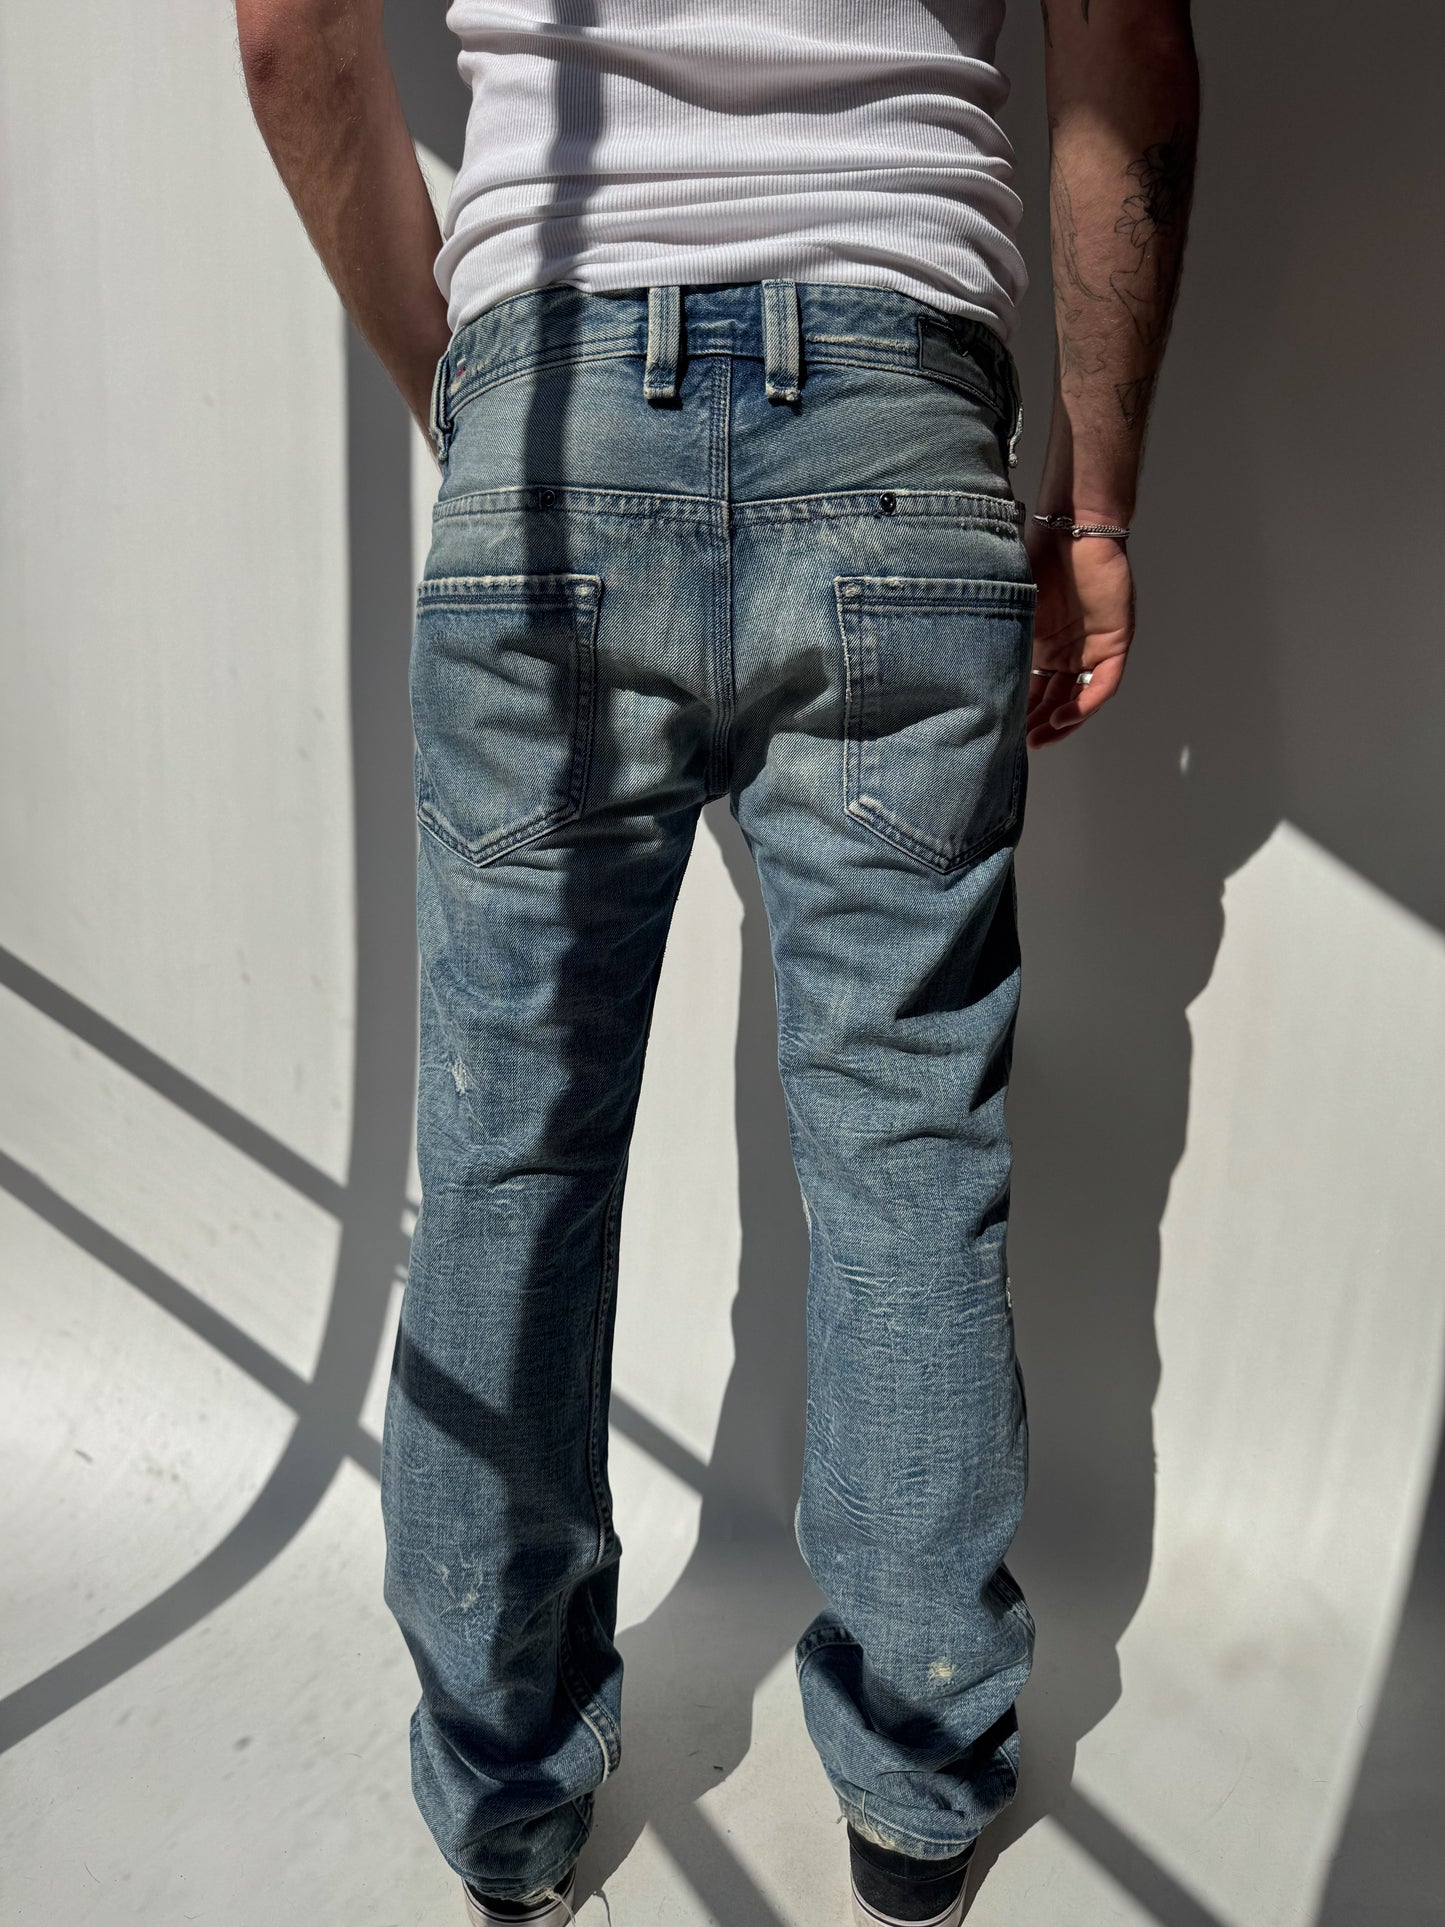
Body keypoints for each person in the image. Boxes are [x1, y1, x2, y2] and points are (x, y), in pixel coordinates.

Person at [234, 0, 1198, 1918]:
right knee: (907, 1147)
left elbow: (285, 32)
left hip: (554, 397)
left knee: (506, 1147)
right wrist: (1092, 501)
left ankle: (506, 1795)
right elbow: (1124, 39)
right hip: (898, 404)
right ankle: (917, 1792)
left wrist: (467, 388)